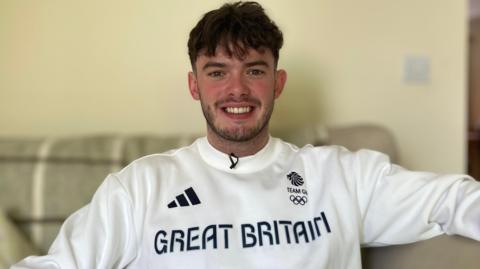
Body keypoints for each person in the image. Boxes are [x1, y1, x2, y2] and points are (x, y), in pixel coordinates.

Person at [12, 1, 480, 268]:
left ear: (277, 83)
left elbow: (454, 199)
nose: (237, 89)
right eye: (217, 72)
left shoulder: (341, 174)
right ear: (194, 86)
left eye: (254, 70)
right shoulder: (140, 187)